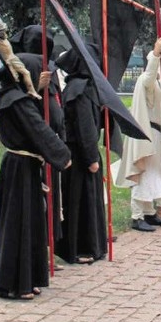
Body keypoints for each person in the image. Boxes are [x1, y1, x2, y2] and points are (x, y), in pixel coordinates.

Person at [0, 52, 71, 300]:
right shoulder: (17, 101)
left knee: (32, 222)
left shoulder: (19, 97)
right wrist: (62, 154)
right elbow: (38, 129)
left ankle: (29, 278)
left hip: (26, 166)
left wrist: (37, 88)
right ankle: (15, 283)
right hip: (19, 168)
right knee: (19, 223)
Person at [115, 38, 161, 231]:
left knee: (155, 175)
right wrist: (156, 54)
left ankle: (149, 213)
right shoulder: (147, 80)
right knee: (142, 175)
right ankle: (137, 215)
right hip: (147, 135)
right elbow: (149, 77)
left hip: (159, 135)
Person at [54, 45, 107, 264]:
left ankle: (86, 245)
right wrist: (92, 158)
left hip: (77, 153)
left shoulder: (75, 87)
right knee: (81, 202)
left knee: (81, 200)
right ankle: (82, 247)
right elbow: (85, 127)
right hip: (80, 155)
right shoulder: (81, 89)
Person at [0, 17, 41, 99]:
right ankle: (31, 91)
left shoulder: (4, 38)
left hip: (13, 58)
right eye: (1, 31)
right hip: (11, 59)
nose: (3, 32)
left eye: (4, 30)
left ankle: (31, 90)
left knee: (23, 74)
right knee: (26, 73)